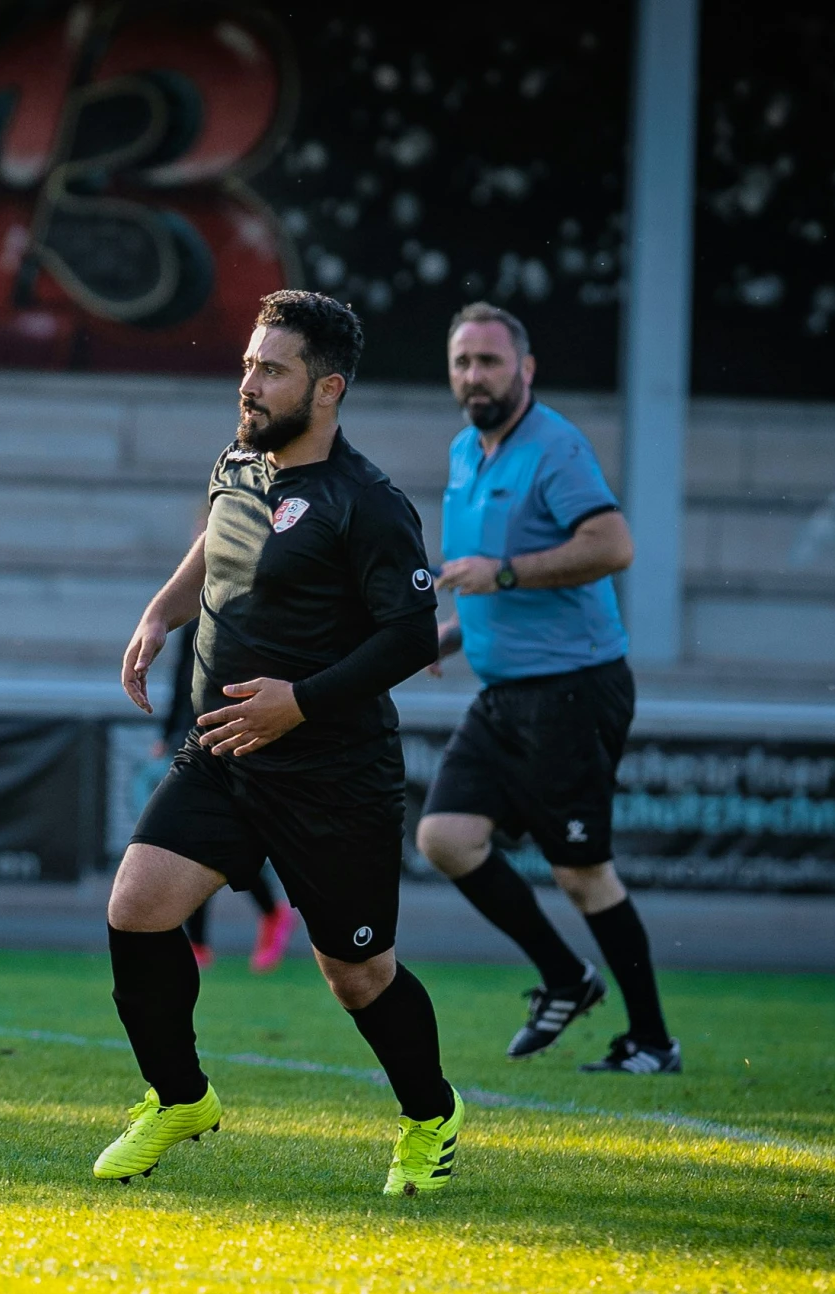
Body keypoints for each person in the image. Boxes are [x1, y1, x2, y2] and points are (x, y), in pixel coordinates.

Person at [99, 290, 459, 1196]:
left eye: (271, 369)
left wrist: (298, 702)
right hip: (223, 751)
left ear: (326, 387)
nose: (247, 384)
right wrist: (157, 612)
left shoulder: (367, 503)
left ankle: (430, 1116)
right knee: (136, 907)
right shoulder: (238, 462)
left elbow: (411, 635)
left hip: (332, 773)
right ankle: (178, 1097)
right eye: (248, 363)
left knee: (356, 974)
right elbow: (212, 543)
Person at [417, 303, 679, 1073]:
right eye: (461, 361)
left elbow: (612, 546)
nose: (473, 375)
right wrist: (443, 636)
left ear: (524, 369)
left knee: (581, 871)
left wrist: (499, 574)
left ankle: (652, 1042)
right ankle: (565, 978)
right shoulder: (466, 451)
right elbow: (484, 580)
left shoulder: (554, 448)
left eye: (488, 361)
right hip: (504, 694)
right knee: (443, 838)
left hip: (571, 690)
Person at [157, 500, 298, 973]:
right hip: (195, 727)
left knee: (207, 835)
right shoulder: (198, 591)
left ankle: (259, 918)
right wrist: (169, 729)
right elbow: (184, 669)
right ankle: (205, 940)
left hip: (235, 727)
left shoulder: (253, 591)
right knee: (194, 833)